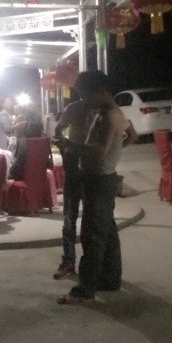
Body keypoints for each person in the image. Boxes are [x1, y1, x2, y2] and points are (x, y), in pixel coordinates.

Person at [53, 70, 128, 304]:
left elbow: (98, 150)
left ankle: (84, 290)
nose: (84, 100)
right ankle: (110, 279)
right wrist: (115, 152)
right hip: (103, 177)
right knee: (107, 231)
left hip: (99, 180)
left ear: (101, 91)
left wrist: (69, 145)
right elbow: (131, 135)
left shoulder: (108, 117)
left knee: (92, 235)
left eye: (86, 94)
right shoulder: (114, 113)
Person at [51, 97, 90, 280]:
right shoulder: (74, 108)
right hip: (76, 165)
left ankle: (87, 264)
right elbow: (58, 131)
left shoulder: (101, 109)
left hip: (91, 167)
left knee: (87, 220)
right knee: (69, 219)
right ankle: (69, 261)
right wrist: (64, 146)